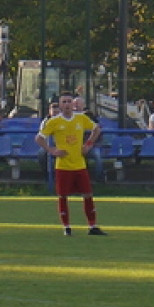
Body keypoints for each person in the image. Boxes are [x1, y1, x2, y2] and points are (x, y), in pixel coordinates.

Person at [35, 92, 106, 236]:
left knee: (87, 194)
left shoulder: (81, 118)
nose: (67, 105)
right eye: (64, 102)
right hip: (63, 166)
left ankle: (92, 226)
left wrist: (88, 145)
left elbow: (96, 129)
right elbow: (39, 138)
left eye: (69, 102)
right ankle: (66, 227)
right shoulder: (54, 122)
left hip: (79, 164)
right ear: (60, 105)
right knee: (63, 196)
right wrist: (51, 150)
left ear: (73, 105)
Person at [72, 95, 105, 183]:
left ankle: (99, 179)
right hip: (74, 146)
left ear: (83, 105)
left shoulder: (90, 116)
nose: (76, 106)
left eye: (78, 104)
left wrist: (88, 145)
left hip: (91, 145)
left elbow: (97, 131)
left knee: (97, 156)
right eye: (74, 104)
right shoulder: (68, 117)